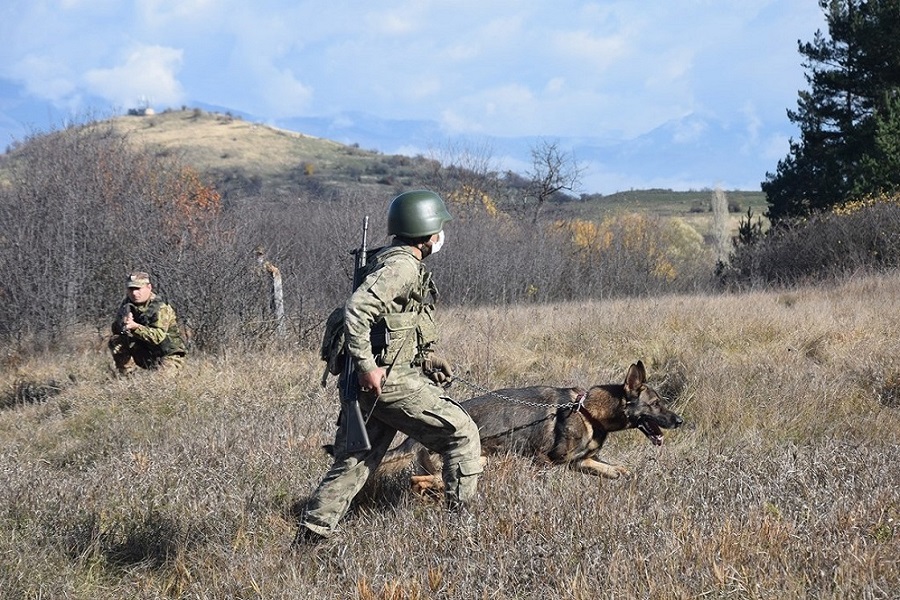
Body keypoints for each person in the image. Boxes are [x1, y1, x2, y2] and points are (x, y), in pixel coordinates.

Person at [297, 190, 482, 542]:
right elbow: (358, 310)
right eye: (439, 226)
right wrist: (367, 366)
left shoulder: (393, 260)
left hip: (380, 380)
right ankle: (461, 533)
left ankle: (310, 537)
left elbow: (388, 325)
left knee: (356, 461)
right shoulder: (401, 266)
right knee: (462, 435)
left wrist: (425, 356)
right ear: (427, 231)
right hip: (388, 381)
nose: (442, 234)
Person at [108, 271, 187, 375]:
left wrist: (134, 326)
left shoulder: (160, 308)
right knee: (116, 340)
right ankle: (127, 375)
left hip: (167, 354)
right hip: (145, 352)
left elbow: (157, 337)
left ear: (149, 287)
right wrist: (122, 323)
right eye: (131, 289)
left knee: (160, 385)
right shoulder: (127, 304)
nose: (134, 293)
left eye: (138, 289)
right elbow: (116, 330)